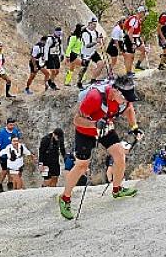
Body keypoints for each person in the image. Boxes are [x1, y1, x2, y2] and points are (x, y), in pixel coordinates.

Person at [59, 75, 141, 220]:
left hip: (106, 128)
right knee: (81, 166)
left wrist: (134, 127)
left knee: (120, 156)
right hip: (86, 131)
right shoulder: (95, 97)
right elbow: (77, 120)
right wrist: (95, 124)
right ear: (115, 90)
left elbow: (129, 109)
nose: (127, 100)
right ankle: (65, 199)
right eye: (125, 97)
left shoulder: (123, 101)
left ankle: (117, 189)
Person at [0, 118, 23, 192]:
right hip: (4, 155)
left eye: (13, 125)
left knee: (12, 170)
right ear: (6, 124)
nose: (12, 126)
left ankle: (10, 184)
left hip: (13, 155)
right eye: (10, 125)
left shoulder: (15, 130)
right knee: (5, 170)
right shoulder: (2, 133)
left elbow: (18, 140)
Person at [76, 17, 106, 89]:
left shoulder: (95, 31)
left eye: (95, 25)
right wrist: (96, 41)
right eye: (93, 24)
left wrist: (100, 37)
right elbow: (88, 45)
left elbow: (98, 37)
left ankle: (93, 80)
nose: (94, 26)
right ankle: (79, 82)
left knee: (101, 64)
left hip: (93, 52)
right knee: (84, 68)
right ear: (89, 24)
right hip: (85, 53)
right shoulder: (85, 33)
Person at [123, 6, 149, 76]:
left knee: (144, 50)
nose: (144, 15)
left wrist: (140, 40)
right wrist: (133, 43)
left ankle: (138, 65)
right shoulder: (134, 20)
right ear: (141, 12)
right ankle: (128, 72)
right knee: (131, 57)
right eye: (143, 13)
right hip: (130, 39)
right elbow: (130, 33)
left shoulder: (138, 19)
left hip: (136, 38)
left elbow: (137, 32)